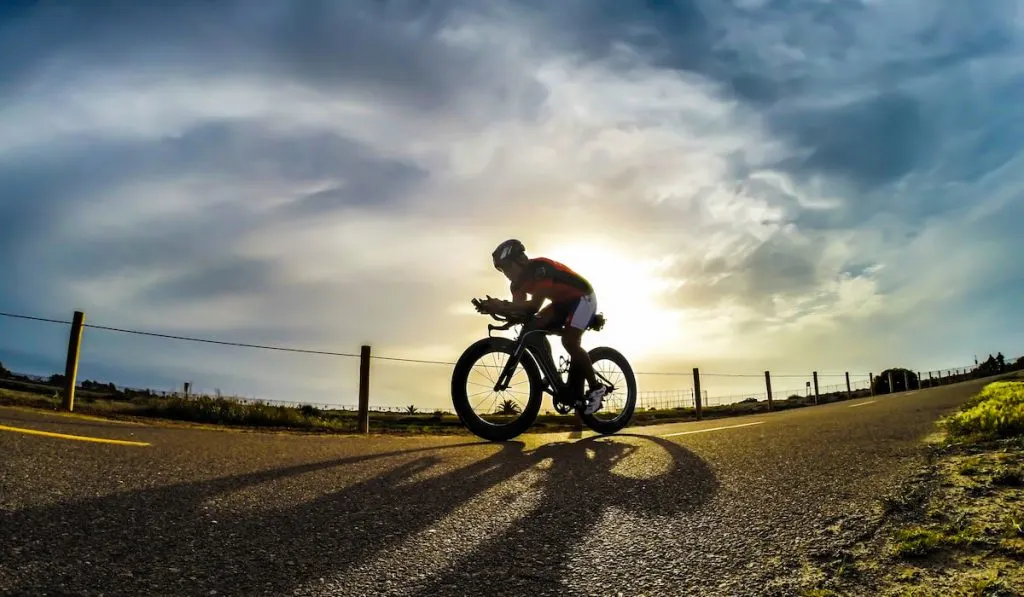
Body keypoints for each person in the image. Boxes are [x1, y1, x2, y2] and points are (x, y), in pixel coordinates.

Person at [475, 239, 607, 415]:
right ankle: (554, 376)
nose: (506, 273)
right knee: (533, 327)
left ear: (520, 259)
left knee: (569, 342)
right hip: (561, 303)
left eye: (507, 267)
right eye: (502, 270)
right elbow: (521, 313)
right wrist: (496, 308)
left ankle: (597, 388)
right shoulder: (516, 285)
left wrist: (501, 305)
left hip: (583, 298)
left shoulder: (539, 270)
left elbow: (533, 306)